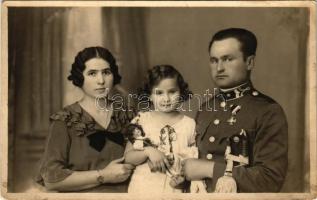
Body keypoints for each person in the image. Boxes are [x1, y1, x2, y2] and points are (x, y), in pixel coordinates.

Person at [181, 28, 288, 192]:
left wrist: (209, 169)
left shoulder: (268, 111)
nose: (219, 68)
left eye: (228, 59)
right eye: (214, 60)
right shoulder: (205, 109)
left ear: (250, 62)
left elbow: (270, 180)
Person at [34, 47, 136, 192]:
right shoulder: (64, 120)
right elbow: (51, 180)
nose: (101, 81)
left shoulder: (128, 115)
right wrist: (103, 175)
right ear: (79, 77)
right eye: (92, 73)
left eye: (106, 72)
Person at [124, 65, 206, 193]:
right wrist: (148, 152)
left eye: (172, 92)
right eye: (159, 93)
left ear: (181, 92)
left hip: (175, 190)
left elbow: (193, 161)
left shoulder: (189, 124)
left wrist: (184, 180)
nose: (166, 98)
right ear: (149, 95)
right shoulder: (141, 120)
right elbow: (128, 157)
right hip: (143, 189)